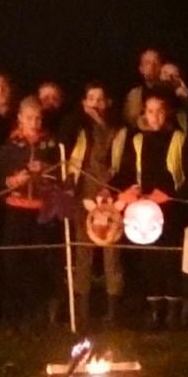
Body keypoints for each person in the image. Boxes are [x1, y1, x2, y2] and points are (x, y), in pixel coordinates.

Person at [112, 91, 188, 330]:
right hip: (144, 210)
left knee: (170, 260)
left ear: (166, 113)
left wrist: (171, 196)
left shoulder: (179, 138)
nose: (155, 116)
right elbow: (125, 173)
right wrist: (121, 191)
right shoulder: (138, 141)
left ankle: (174, 313)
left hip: (171, 209)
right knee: (150, 261)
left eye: (159, 111)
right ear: (143, 113)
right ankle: (155, 312)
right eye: (150, 111)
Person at [0, 97, 64, 329]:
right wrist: (16, 179)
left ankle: (39, 315)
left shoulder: (51, 144)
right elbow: (0, 179)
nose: (34, 122)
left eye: (38, 118)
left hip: (41, 212)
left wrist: (45, 170)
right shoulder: (10, 145)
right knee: (14, 262)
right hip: (16, 211)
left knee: (39, 263)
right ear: (20, 118)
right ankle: (15, 315)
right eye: (29, 118)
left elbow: (61, 175)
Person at [64, 81, 126, 326]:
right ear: (84, 102)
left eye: (101, 99)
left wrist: (111, 186)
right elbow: (64, 137)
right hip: (84, 192)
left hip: (110, 193)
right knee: (83, 249)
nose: (96, 104)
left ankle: (114, 310)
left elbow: (120, 161)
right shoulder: (79, 127)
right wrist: (82, 115)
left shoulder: (118, 129)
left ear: (108, 102)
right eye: (91, 99)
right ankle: (82, 308)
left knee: (112, 251)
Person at [122, 48, 166, 127]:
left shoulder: (170, 92)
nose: (152, 66)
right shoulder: (133, 95)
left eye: (155, 62)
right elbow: (129, 121)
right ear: (141, 69)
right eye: (147, 62)